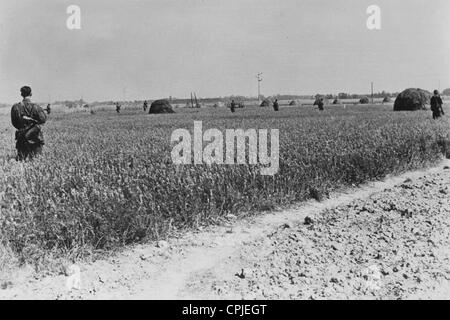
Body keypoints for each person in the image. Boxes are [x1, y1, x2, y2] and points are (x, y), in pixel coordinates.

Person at [11, 86, 47, 161]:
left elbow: (14, 123)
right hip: (35, 139)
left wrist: (22, 127)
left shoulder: (15, 107)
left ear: (21, 94)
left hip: (22, 138)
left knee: (22, 162)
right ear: (31, 94)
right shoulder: (36, 107)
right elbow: (43, 120)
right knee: (37, 162)